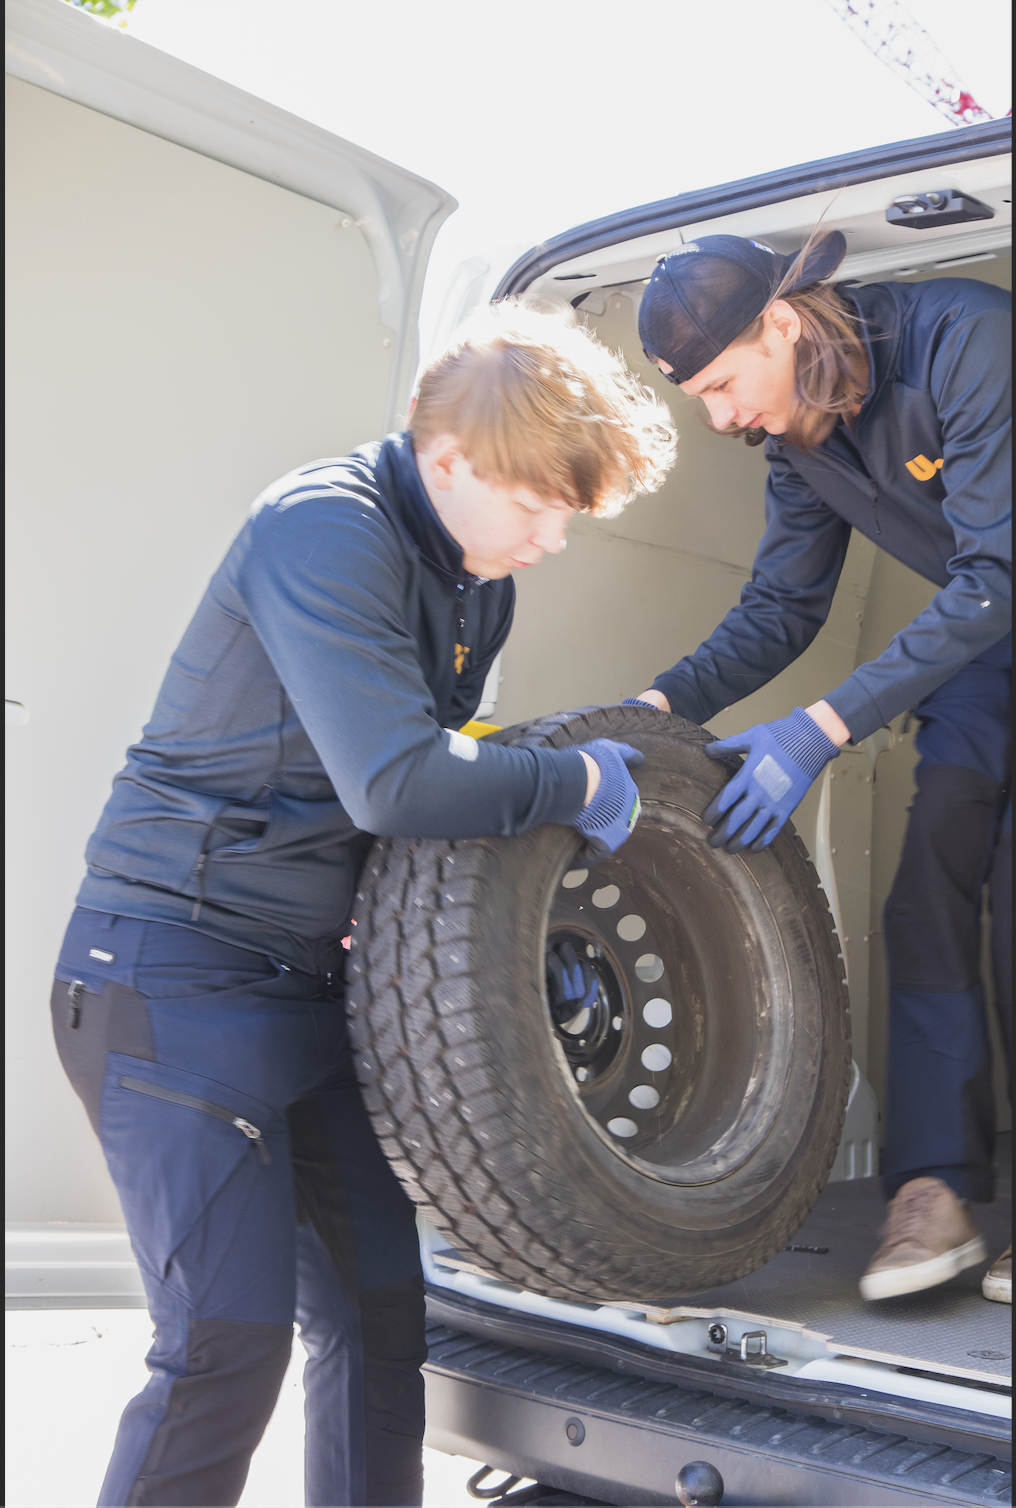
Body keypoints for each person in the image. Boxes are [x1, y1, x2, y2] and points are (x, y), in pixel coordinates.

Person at [52, 301, 676, 1508]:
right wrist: (573, 782)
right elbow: (396, 781)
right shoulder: (321, 528)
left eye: (568, 511)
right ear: (445, 456)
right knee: (224, 1344)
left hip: (309, 987)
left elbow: (425, 789)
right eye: (534, 503)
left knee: (379, 1320)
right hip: (171, 977)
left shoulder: (474, 578)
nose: (551, 538)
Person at [629, 231, 1011, 1305]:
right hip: (988, 648)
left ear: (783, 323)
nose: (720, 418)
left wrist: (820, 727)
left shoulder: (964, 341)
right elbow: (781, 608)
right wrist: (652, 711)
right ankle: (934, 1191)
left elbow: (996, 571)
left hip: (996, 600)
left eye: (721, 384)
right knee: (923, 890)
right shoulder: (799, 437)